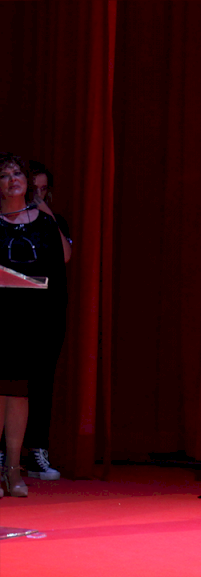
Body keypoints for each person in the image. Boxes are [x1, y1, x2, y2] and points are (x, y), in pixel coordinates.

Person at [0, 153, 70, 498]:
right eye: (4, 175)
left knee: (18, 393)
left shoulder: (42, 222)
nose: (12, 179)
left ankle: (14, 469)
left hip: (29, 318)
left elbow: (60, 261)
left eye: (17, 173)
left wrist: (45, 211)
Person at [23, 161, 70, 481]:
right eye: (33, 189)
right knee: (10, 383)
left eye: (44, 189)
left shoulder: (53, 221)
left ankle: (37, 449)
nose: (38, 195)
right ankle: (5, 452)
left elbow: (65, 256)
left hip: (48, 310)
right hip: (14, 309)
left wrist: (48, 215)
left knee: (42, 382)